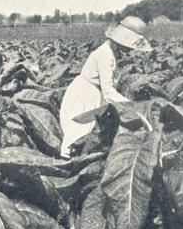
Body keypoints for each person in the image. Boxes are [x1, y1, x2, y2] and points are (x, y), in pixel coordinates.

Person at [59, 16, 152, 158]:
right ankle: (66, 168)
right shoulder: (105, 54)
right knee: (77, 136)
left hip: (93, 93)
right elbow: (108, 91)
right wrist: (132, 106)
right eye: (129, 44)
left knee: (85, 135)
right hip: (86, 95)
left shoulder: (111, 52)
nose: (129, 49)